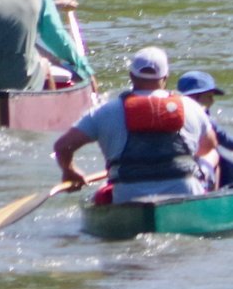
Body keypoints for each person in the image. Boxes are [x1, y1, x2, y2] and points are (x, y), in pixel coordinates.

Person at [53, 47, 218, 205]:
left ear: (132, 76)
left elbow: (62, 146)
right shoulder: (191, 107)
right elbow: (209, 146)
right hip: (184, 191)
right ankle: (210, 202)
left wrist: (70, 171)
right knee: (213, 156)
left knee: (101, 195)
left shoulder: (104, 111)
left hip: (128, 196)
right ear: (165, 78)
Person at [177, 69, 233, 190]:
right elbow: (224, 139)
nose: (213, 100)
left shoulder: (173, 112)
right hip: (194, 163)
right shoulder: (203, 117)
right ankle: (213, 193)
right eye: (209, 96)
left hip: (179, 162)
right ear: (195, 97)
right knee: (215, 154)